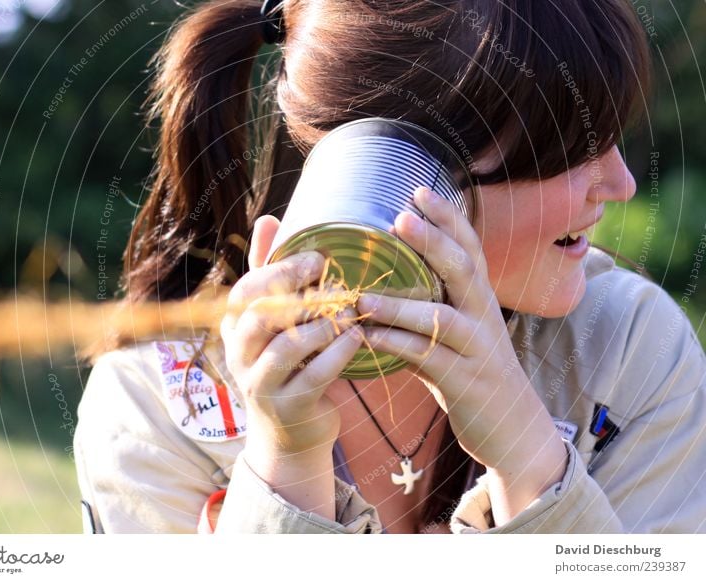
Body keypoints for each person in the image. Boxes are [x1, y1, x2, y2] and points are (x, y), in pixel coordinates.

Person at [73, 0, 706, 534]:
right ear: (406, 165)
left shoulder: (631, 348)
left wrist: (529, 458)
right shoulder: (155, 411)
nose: (620, 184)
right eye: (573, 149)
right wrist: (284, 468)